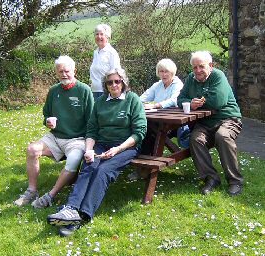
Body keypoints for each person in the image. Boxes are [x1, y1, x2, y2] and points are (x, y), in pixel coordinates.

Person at [47, 68, 147, 237]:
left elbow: (139, 132)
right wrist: (89, 150)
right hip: (101, 144)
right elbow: (92, 130)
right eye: (110, 82)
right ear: (105, 85)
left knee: (103, 170)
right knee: (89, 165)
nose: (114, 85)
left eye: (117, 81)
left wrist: (117, 149)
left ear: (123, 83)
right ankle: (71, 208)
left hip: (126, 146)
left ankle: (83, 215)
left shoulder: (132, 100)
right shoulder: (100, 102)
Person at [14, 55, 94, 208]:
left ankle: (51, 195)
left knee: (72, 161)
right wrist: (48, 121)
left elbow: (92, 121)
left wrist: (88, 144)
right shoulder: (53, 91)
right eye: (60, 72)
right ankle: (32, 191)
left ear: (74, 71)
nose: (63, 74)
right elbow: (46, 115)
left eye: (67, 71)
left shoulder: (84, 90)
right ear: (56, 73)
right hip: (55, 137)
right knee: (32, 149)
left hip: (77, 139)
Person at [177, 50, 243, 196]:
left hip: (228, 118)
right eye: (194, 67)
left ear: (210, 65)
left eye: (201, 66)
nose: (198, 70)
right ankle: (211, 178)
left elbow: (217, 102)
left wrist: (198, 101)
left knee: (223, 136)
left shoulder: (218, 76)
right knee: (195, 139)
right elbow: (180, 99)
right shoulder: (190, 79)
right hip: (205, 122)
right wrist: (190, 102)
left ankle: (235, 181)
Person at [128, 59, 184, 181]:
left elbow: (174, 100)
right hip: (157, 121)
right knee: (143, 131)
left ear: (172, 72)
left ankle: (144, 169)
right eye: (161, 71)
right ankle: (141, 166)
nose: (163, 74)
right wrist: (134, 103)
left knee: (150, 134)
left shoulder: (178, 85)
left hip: (173, 124)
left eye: (166, 71)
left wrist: (156, 105)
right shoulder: (158, 85)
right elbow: (143, 97)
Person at [90, 24, 121, 100]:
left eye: (101, 34)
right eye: (97, 34)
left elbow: (116, 73)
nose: (99, 37)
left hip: (106, 91)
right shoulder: (96, 52)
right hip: (94, 91)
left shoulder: (111, 53)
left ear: (107, 37)